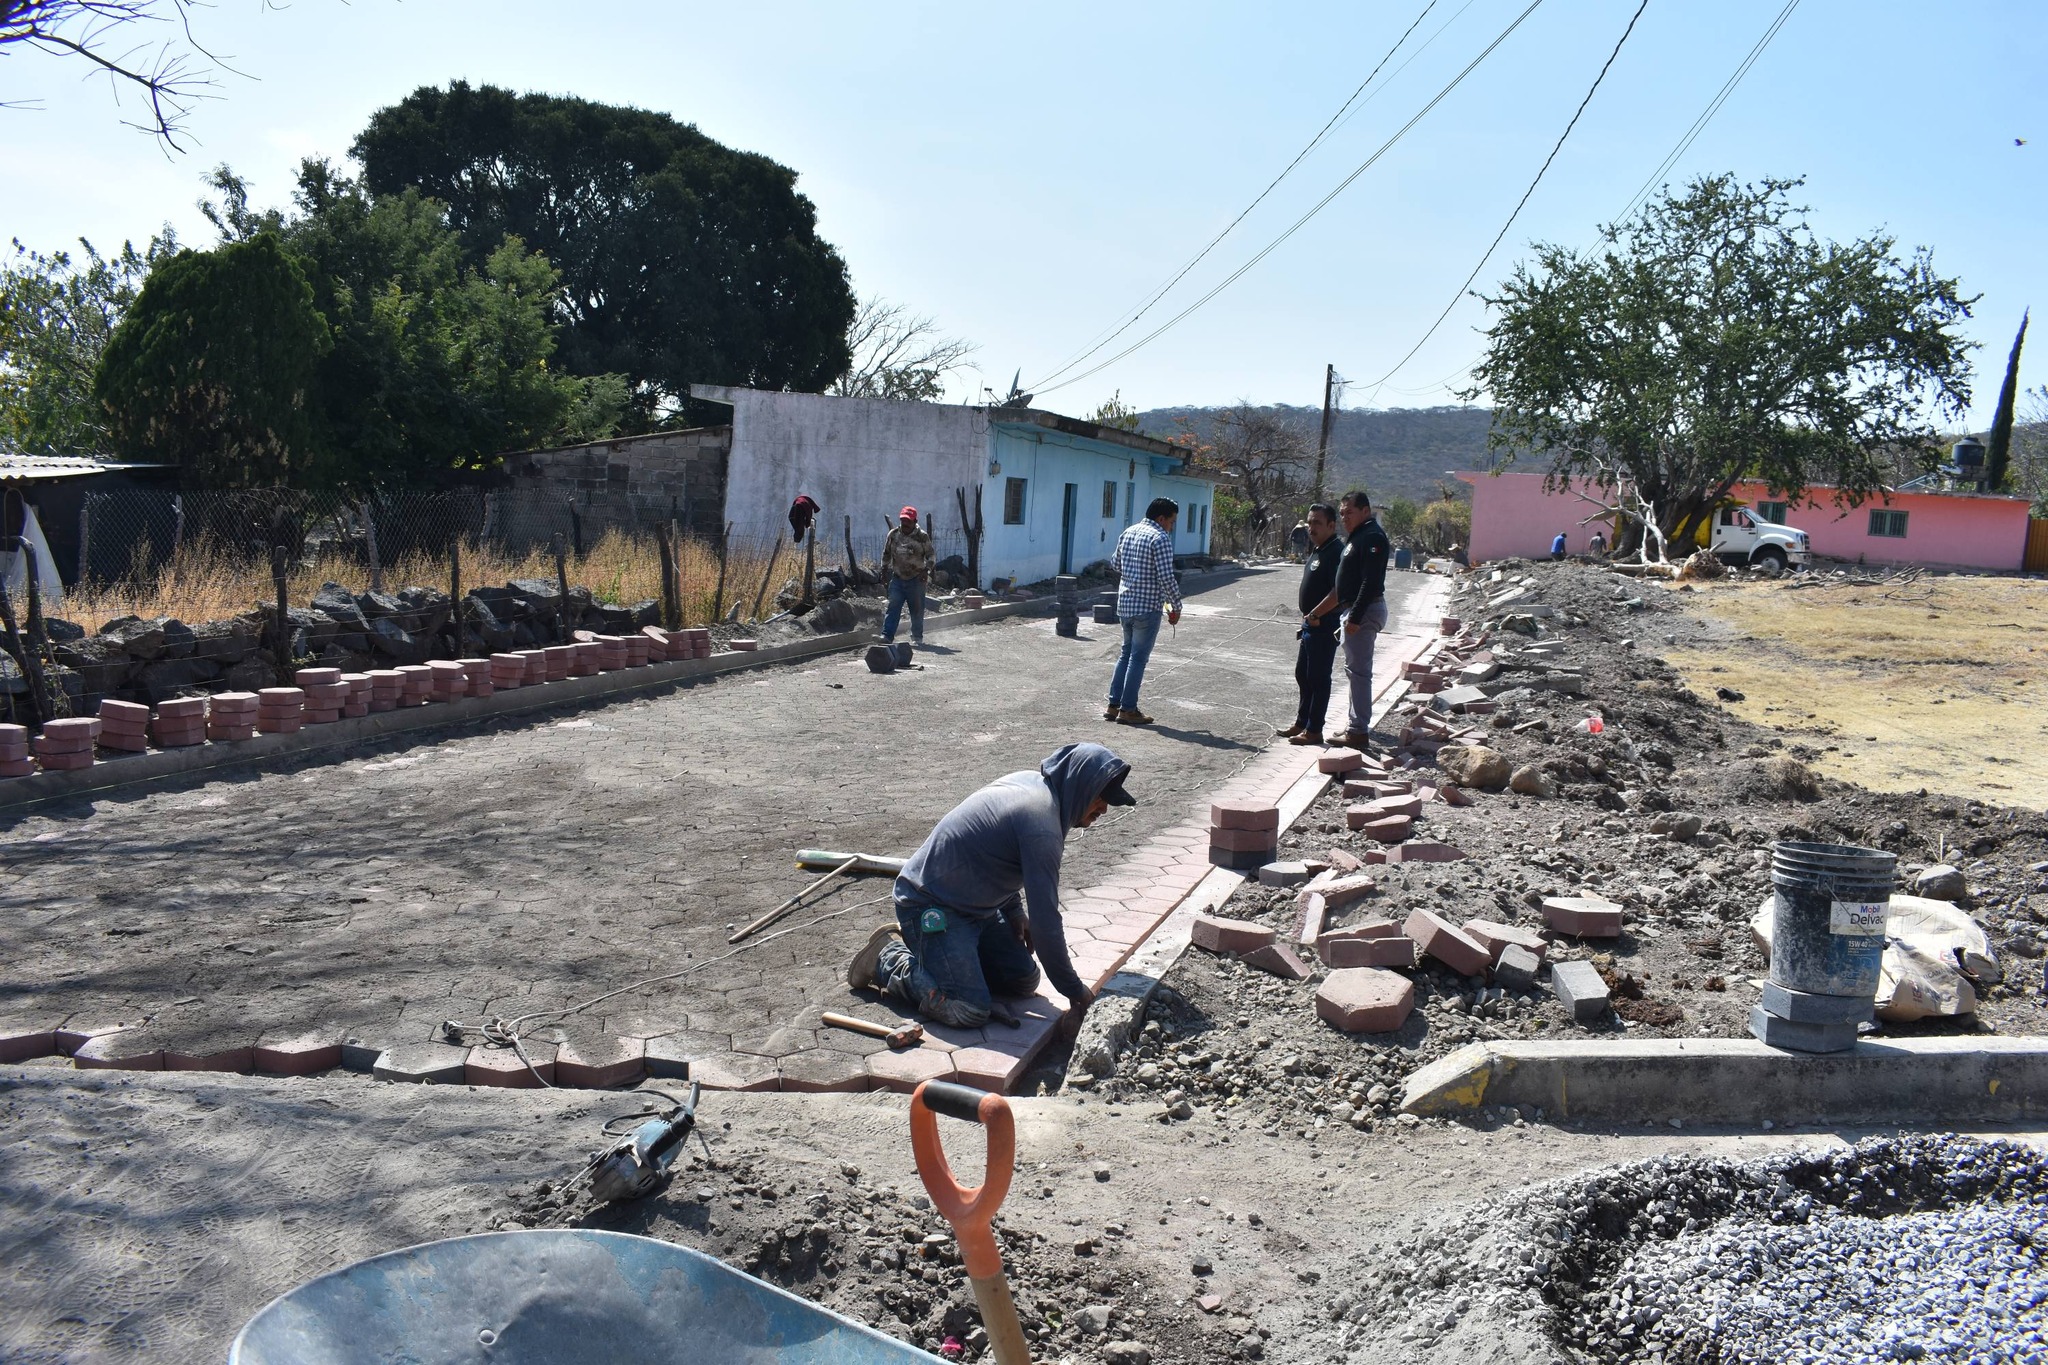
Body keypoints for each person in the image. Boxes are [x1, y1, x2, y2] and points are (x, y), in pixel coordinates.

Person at [847, 742, 1134, 1030]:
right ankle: (887, 958)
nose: (1105, 810)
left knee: (1023, 981)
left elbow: (993, 856)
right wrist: (1075, 990)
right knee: (970, 1009)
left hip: (977, 907)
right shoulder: (1042, 827)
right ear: (1080, 786)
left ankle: (945, 958)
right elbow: (1046, 926)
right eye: (1100, 798)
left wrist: (1014, 912)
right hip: (930, 903)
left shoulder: (1038, 789)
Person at [1104, 497, 1182, 726]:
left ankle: (1113, 705)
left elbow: (1115, 565)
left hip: (1125, 604)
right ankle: (1128, 709)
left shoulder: (1129, 532)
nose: (1172, 526)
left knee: (1126, 654)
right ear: (1161, 518)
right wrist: (1176, 606)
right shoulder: (1160, 538)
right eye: (1172, 521)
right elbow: (1166, 577)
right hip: (1147, 607)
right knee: (1138, 658)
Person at [1279, 502, 1343, 746]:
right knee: (1303, 675)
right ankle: (1302, 722)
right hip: (1310, 623)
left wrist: (1315, 614)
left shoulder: (1336, 551)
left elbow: (1339, 591)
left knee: (1318, 677)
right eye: (1309, 522)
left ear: (1330, 525)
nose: (1311, 527)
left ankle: (1315, 729)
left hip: (1324, 624)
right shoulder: (1319, 549)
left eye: (1317, 522)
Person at [1334, 489, 1391, 751]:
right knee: (1355, 671)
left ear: (1366, 512)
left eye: (1350, 512)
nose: (1344, 517)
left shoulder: (1371, 537)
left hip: (1364, 611)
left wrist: (1354, 616)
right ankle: (1354, 726)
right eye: (1342, 513)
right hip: (1357, 609)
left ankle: (1357, 732)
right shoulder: (1359, 536)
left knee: (1358, 673)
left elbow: (1371, 581)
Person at [880, 505, 934, 645]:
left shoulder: (922, 537)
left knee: (916, 610)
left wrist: (925, 570)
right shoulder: (893, 534)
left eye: (908, 521)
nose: (905, 524)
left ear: (915, 521)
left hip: (916, 579)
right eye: (903, 520)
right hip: (897, 578)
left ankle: (917, 637)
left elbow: (931, 556)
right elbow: (886, 553)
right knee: (893, 607)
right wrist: (884, 570)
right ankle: (887, 636)